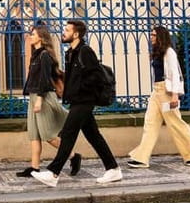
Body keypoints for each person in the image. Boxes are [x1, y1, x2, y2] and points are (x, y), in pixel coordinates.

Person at [31, 20, 122, 187]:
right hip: (77, 100)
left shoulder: (85, 51)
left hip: (84, 100)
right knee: (93, 136)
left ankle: (53, 172)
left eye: (67, 30)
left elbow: (97, 77)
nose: (63, 33)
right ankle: (113, 168)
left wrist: (79, 89)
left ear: (76, 34)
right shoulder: (71, 52)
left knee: (67, 134)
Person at [126, 26, 190, 168]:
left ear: (160, 37)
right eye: (151, 35)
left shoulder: (169, 52)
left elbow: (175, 74)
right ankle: (141, 158)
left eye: (154, 35)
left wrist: (175, 95)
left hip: (167, 92)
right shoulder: (158, 52)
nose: (151, 37)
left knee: (176, 123)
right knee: (150, 123)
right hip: (156, 91)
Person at [16, 25, 81, 178]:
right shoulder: (36, 54)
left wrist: (39, 100)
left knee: (48, 135)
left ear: (41, 37)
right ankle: (34, 167)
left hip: (43, 97)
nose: (30, 36)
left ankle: (73, 156)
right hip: (34, 96)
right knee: (34, 135)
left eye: (33, 34)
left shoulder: (44, 55)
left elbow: (44, 80)